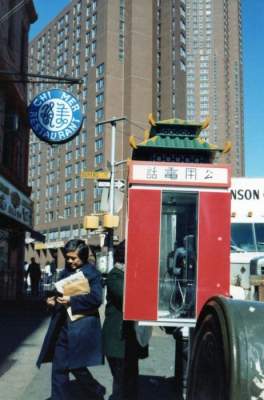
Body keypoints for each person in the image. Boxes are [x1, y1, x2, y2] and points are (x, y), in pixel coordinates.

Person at [37, 239, 105, 400]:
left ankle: (95, 390)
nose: (70, 261)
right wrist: (52, 301)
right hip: (63, 328)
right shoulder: (65, 272)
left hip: (81, 329)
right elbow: (57, 293)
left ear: (83, 256)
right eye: (68, 258)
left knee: (77, 367)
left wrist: (71, 301)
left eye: (73, 258)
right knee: (58, 368)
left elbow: (96, 299)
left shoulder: (93, 274)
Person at [102, 242, 148, 400]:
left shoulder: (129, 275)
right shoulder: (115, 275)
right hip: (117, 341)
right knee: (122, 385)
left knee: (130, 382)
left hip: (128, 340)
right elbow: (128, 299)